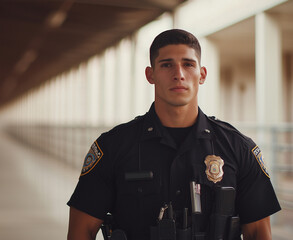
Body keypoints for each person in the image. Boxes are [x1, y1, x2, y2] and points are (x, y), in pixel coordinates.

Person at [67, 29, 281, 240]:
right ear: (150, 75)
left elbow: (258, 233)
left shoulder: (238, 148)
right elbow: (81, 231)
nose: (178, 74)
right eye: (167, 64)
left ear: (202, 74)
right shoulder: (112, 147)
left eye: (188, 64)